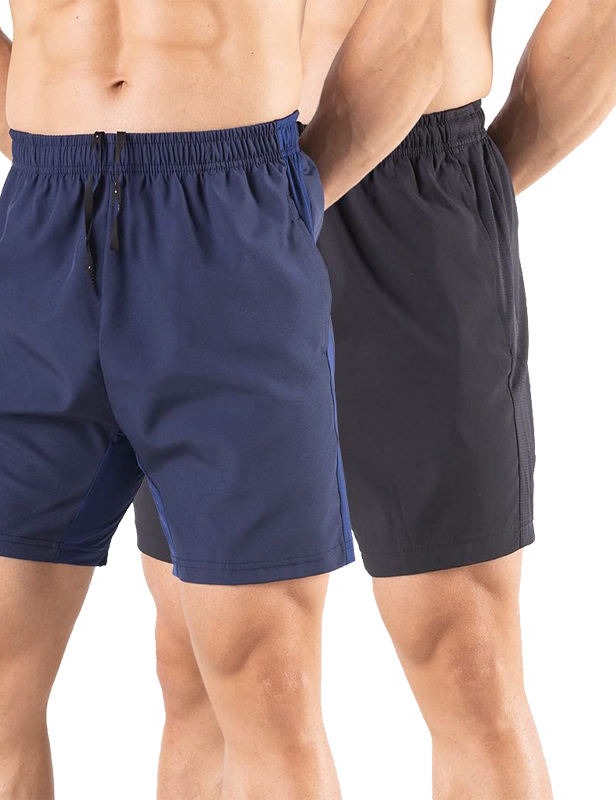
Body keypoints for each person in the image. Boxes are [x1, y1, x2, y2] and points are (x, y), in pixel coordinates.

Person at [0, 0, 442, 797]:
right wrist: (63, 168)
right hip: (39, 229)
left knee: (264, 670)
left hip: (234, 220)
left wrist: (289, 194)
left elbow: (414, 19)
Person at [134, 0, 616, 798]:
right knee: (207, 668)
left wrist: (487, 176)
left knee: (465, 654)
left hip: (411, 185)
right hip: (201, 181)